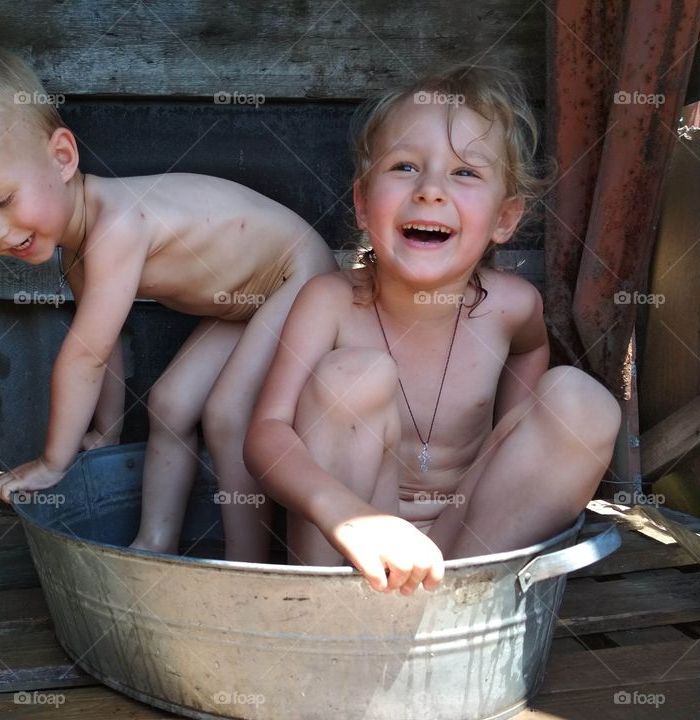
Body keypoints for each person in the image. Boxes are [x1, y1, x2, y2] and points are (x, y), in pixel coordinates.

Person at [0, 43, 337, 561]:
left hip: (298, 275)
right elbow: (102, 345)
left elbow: (83, 358)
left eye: (1, 200)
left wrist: (55, 461)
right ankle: (153, 544)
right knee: (169, 406)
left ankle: (247, 562)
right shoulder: (79, 252)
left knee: (224, 412)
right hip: (249, 300)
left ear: (62, 158)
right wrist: (103, 433)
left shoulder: (116, 227)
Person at [244, 66, 621, 593]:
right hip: (348, 554)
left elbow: (529, 354)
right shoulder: (329, 302)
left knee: (583, 401)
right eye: (404, 166)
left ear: (505, 218)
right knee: (355, 374)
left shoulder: (512, 307)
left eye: (465, 173)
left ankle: (467, 601)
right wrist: (345, 514)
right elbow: (266, 435)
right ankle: (349, 625)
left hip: (466, 542)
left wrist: (512, 436)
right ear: (360, 202)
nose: (430, 192)